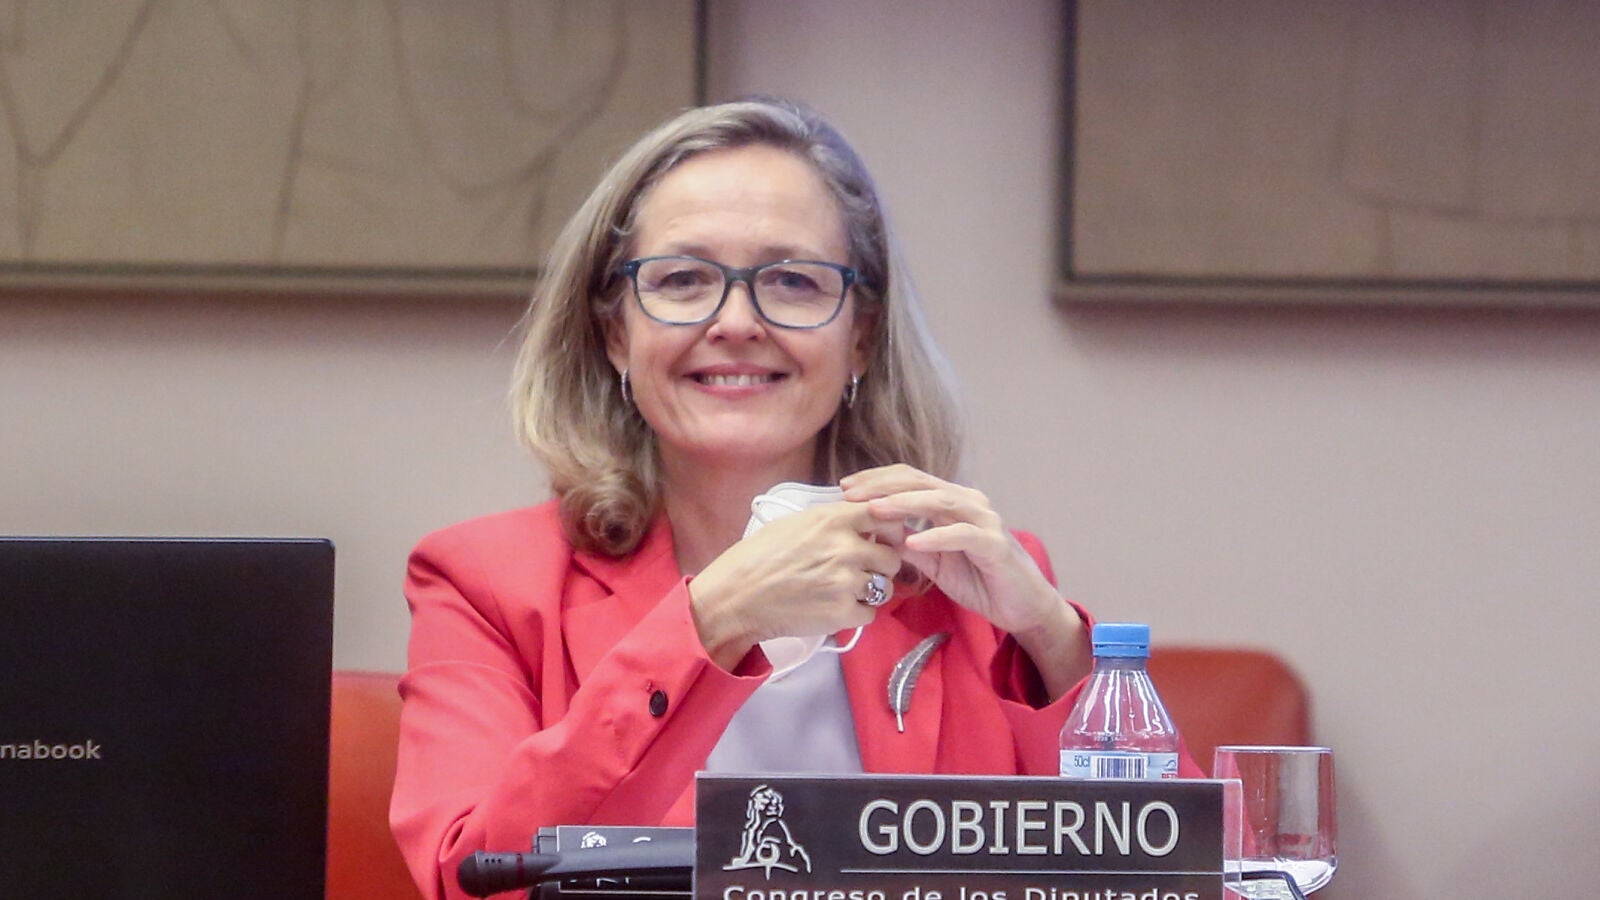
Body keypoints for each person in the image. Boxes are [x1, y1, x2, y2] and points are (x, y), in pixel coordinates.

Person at [390, 97, 1201, 899]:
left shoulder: (976, 585)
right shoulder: (486, 583)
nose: (737, 322)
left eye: (792, 282)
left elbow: (1193, 883)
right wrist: (713, 619)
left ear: (861, 336)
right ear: (614, 334)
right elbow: (473, 882)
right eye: (683, 279)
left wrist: (1056, 645)